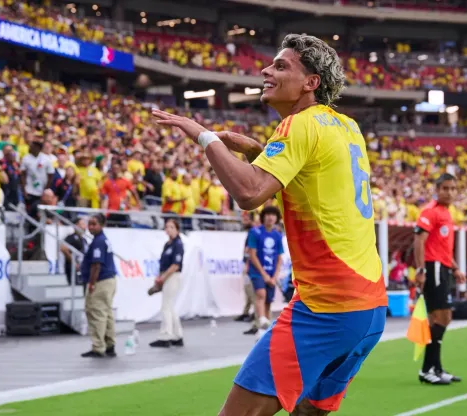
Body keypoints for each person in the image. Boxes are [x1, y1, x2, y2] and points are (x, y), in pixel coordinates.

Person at [153, 33, 388, 416]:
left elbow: (249, 193)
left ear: (311, 83)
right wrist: (258, 151)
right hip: (370, 309)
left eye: (281, 66)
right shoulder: (347, 127)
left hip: (326, 307)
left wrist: (204, 136)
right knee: (309, 413)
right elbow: (312, 181)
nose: (266, 70)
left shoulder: (298, 125)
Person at [413, 173, 467, 385]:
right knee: (440, 317)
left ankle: (436, 367)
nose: (449, 192)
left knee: (443, 318)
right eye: (445, 188)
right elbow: (419, 240)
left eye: (453, 188)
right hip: (432, 267)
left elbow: (443, 247)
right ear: (437, 189)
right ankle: (427, 370)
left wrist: (455, 268)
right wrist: (420, 269)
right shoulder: (430, 212)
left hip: (443, 267)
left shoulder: (447, 213)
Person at [80, 214, 118, 358]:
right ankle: (110, 344)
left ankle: (98, 346)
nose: (90, 227)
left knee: (96, 312)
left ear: (102, 225)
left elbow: (96, 265)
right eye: (89, 224)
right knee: (106, 313)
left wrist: (91, 283)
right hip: (109, 280)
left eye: (94, 224)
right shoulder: (102, 240)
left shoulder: (98, 242)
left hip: (101, 281)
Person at [244, 206, 284, 336]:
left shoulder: (277, 235)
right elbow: (252, 254)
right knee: (261, 294)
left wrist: (275, 276)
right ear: (263, 217)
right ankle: (260, 320)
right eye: (268, 214)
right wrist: (264, 274)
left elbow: (279, 258)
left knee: (268, 301)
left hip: (272, 273)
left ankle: (265, 330)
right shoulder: (255, 232)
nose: (270, 217)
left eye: (273, 215)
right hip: (257, 272)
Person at [149, 218, 185, 348]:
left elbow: (175, 265)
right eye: (167, 227)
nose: (168, 229)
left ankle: (166, 334)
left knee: (166, 306)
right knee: (170, 306)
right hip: (166, 275)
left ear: (177, 229)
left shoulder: (178, 244)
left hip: (173, 276)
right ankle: (177, 335)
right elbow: (163, 263)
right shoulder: (167, 245)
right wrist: (159, 277)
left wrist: (163, 277)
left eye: (171, 227)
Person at [236, 212, 260, 324]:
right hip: (248, 265)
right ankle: (247, 313)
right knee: (248, 291)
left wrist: (246, 264)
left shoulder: (254, 233)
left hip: (250, 267)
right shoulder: (251, 233)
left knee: (252, 292)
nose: (243, 221)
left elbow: (250, 251)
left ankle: (256, 316)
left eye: (246, 219)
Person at [61, 217, 88, 289]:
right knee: (75, 288)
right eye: (82, 224)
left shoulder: (84, 240)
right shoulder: (71, 237)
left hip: (82, 269)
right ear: (76, 225)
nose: (84, 226)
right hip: (73, 268)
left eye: (84, 224)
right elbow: (63, 248)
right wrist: (73, 262)